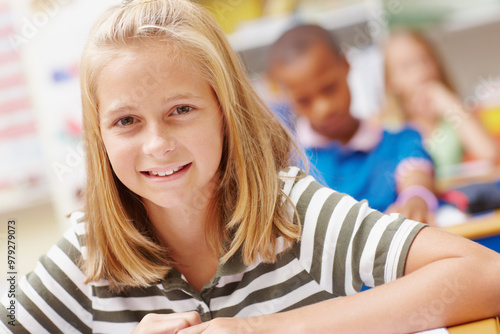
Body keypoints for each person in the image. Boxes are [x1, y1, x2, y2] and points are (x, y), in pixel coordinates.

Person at [2, 1, 500, 333]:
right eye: (127, 120)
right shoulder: (87, 253)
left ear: (225, 113)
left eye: (181, 110)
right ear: (100, 137)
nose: (157, 144)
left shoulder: (292, 213)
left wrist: (261, 329)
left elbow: (485, 275)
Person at [268, 24, 437, 224]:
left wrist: (415, 199)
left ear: (346, 64)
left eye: (329, 88)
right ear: (285, 97)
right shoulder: (288, 165)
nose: (324, 108)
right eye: (304, 100)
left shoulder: (400, 141)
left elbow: (415, 173)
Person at [383, 30, 498, 178]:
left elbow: (490, 154)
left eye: (426, 59)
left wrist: (450, 104)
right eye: (407, 66)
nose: (421, 70)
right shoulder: (388, 128)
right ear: (390, 81)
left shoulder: (453, 116)